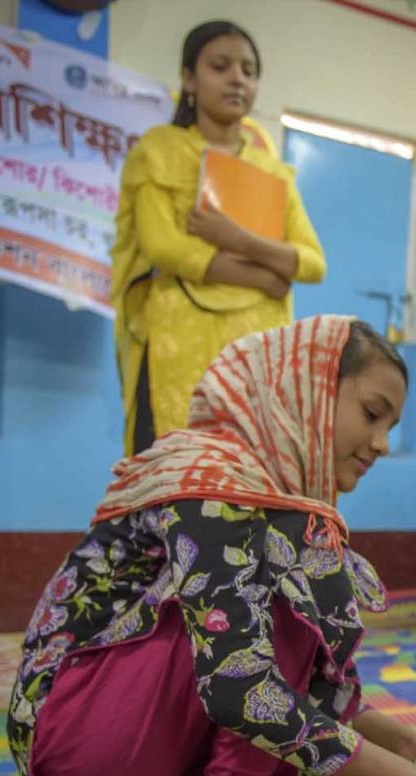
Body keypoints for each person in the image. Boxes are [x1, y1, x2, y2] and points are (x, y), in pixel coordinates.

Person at [3, 316, 416, 776]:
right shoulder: (217, 484)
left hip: (106, 751)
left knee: (338, 773)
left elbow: (273, 674)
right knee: (295, 565)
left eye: (390, 424)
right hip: (79, 749)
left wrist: (411, 747)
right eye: (372, 414)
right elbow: (239, 684)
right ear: (308, 391)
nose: (383, 445)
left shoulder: (249, 485)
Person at [111, 20, 326, 453]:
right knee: (173, 474)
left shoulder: (272, 172)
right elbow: (163, 247)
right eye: (220, 66)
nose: (237, 79)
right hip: (178, 341)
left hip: (257, 348)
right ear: (189, 78)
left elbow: (313, 263)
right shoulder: (158, 152)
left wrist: (237, 238)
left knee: (250, 476)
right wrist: (264, 277)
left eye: (248, 71)